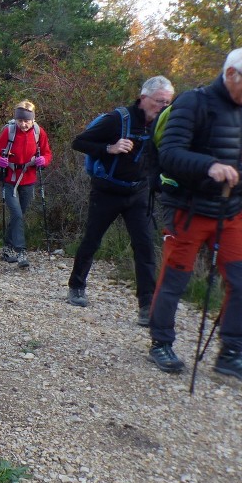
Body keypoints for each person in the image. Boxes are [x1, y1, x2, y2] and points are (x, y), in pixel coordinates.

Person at [148, 47, 242, 385]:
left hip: (231, 213)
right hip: (188, 211)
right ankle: (161, 342)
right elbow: (170, 155)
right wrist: (209, 165)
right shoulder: (194, 102)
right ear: (231, 73)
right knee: (175, 279)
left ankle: (231, 355)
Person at [67, 76, 175, 324]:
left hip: (139, 194)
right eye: (160, 101)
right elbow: (79, 142)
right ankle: (76, 285)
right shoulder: (118, 119)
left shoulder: (162, 124)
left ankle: (146, 306)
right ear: (144, 98)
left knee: (145, 247)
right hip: (107, 191)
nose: (164, 107)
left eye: (168, 103)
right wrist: (109, 148)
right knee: (92, 240)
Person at [0, 100, 52, 269]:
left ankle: (7, 247)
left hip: (28, 180)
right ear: (15, 119)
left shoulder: (39, 133)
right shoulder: (9, 132)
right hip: (9, 179)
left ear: (33, 119)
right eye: (20, 121)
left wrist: (43, 160)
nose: (23, 124)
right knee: (16, 214)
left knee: (19, 215)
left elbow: (47, 153)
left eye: (27, 121)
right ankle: (21, 251)